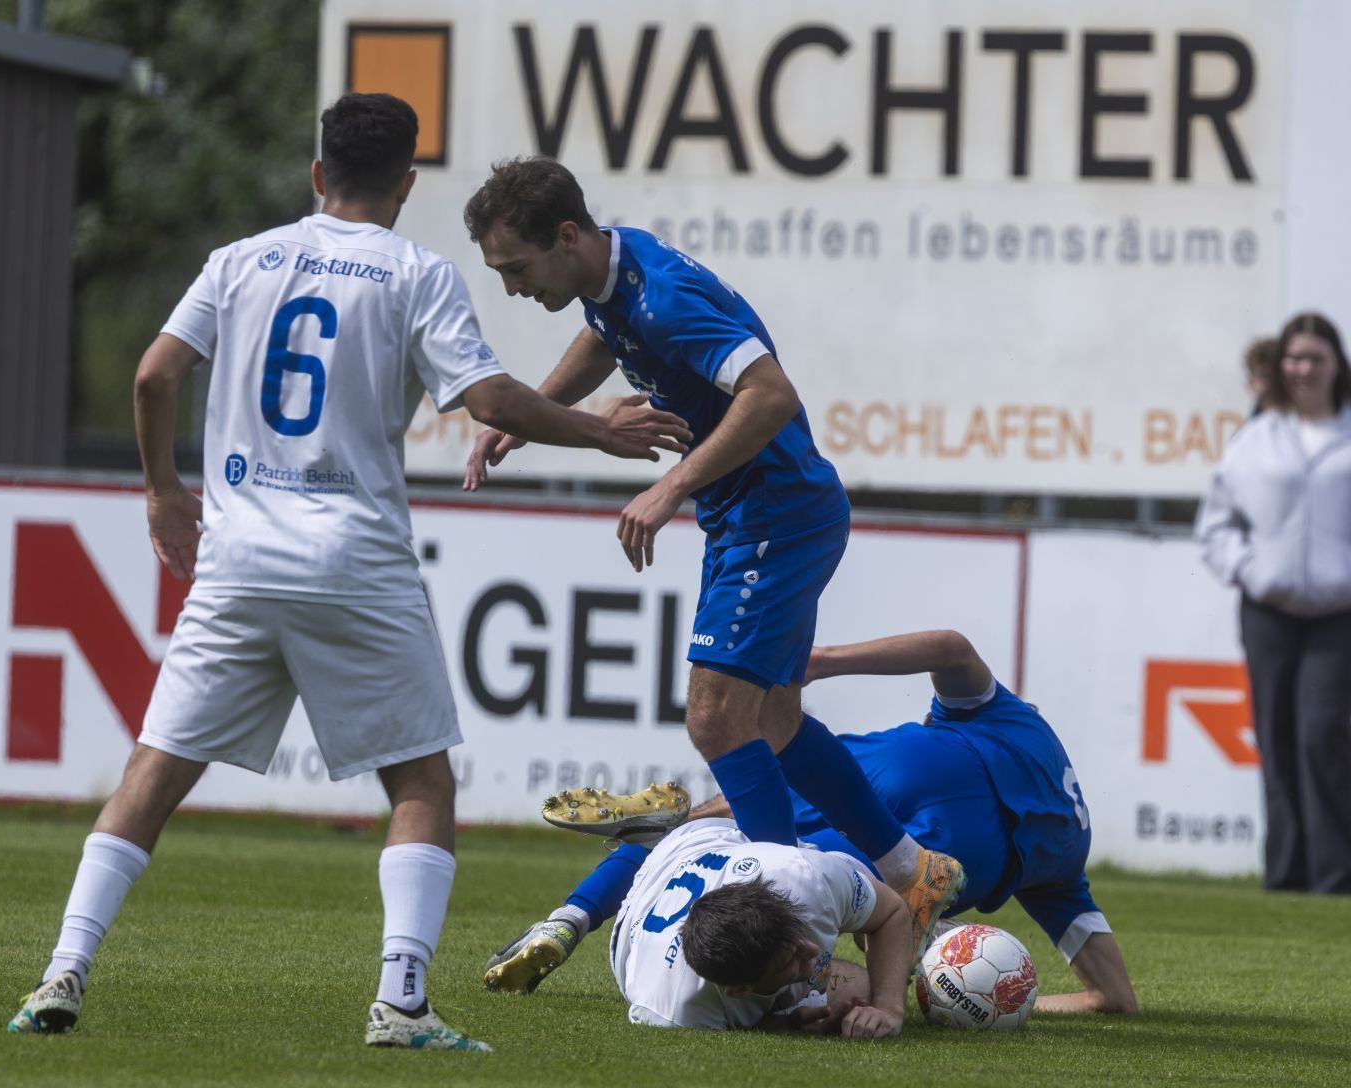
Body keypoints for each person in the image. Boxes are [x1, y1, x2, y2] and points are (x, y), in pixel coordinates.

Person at [6, 95, 691, 1050]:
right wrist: (596, 430)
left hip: (237, 562)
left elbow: (154, 374)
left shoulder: (237, 261)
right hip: (353, 560)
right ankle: (401, 1002)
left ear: (318, 174)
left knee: (152, 773)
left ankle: (63, 970)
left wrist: (163, 492)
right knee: (420, 783)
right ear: (406, 183)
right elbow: (490, 398)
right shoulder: (414, 272)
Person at [457, 157, 963, 939]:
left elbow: (772, 394)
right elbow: (604, 336)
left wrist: (671, 486)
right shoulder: (615, 269)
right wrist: (530, 413)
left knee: (715, 718)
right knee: (776, 722)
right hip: (758, 511)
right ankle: (911, 870)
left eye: (516, 268)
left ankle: (789, 923)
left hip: (776, 512)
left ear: (567, 236)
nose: (512, 287)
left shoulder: (662, 299)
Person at [485, 630, 1137, 1017]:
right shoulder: (1065, 868)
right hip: (973, 854)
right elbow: (1114, 997)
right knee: (768, 875)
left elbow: (951, 646)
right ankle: (681, 829)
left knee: (730, 835)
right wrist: (1001, 999)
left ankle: (578, 909)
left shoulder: (1020, 721)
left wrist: (824, 659)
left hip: (905, 766)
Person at [1194, 313, 1351, 896]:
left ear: (1337, 364)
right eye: (1294, 358)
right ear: (1280, 366)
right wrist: (1250, 570)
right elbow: (1217, 523)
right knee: (1275, 734)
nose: (1303, 368)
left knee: (1323, 730)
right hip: (1268, 608)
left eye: (1315, 357)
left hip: (1345, 610)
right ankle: (1288, 872)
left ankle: (1343, 873)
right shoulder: (1256, 436)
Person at [595, 815, 916, 1034]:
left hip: (705, 840)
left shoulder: (808, 879)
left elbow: (892, 912)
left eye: (796, 938)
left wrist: (889, 1009)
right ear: (739, 990)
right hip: (643, 909)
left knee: (868, 984)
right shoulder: (675, 1009)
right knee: (842, 997)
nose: (810, 950)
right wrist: (783, 1024)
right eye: (790, 960)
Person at [1243, 336, 1277, 417]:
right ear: (1251, 382)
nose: (1272, 383)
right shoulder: (1251, 425)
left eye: (1276, 376)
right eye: (1265, 376)